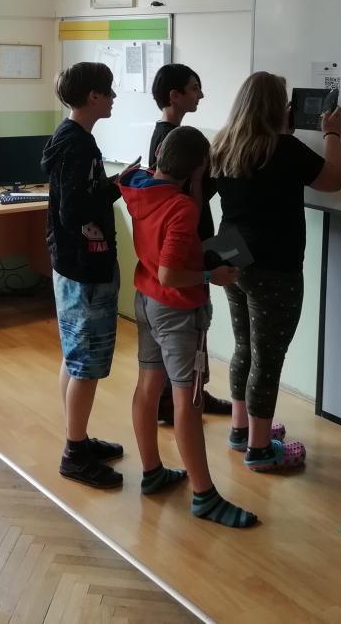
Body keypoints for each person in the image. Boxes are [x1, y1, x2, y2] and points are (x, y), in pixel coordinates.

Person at [121, 125, 257, 527]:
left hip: (145, 300)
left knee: (148, 386)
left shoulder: (139, 185)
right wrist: (212, 276)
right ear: (198, 167)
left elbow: (182, 217)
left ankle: (152, 472)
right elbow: (171, 274)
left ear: (160, 155)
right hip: (177, 310)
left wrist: (194, 183)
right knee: (189, 400)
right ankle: (204, 496)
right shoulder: (180, 210)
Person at [211, 71, 341, 471]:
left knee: (243, 348)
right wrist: (332, 134)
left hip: (231, 254)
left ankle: (242, 429)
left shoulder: (223, 144)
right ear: (276, 107)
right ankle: (260, 449)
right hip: (275, 264)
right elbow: (333, 180)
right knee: (268, 358)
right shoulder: (285, 149)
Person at [41, 61, 139, 489]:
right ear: (93, 96)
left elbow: (76, 197)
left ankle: (76, 439)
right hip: (85, 266)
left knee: (74, 355)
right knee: (86, 365)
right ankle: (74, 454)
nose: (114, 97)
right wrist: (116, 186)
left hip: (71, 263)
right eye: (109, 91)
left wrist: (114, 181)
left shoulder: (70, 138)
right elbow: (75, 211)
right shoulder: (79, 145)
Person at [147, 63, 232, 422]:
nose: (201, 95)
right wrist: (202, 180)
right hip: (187, 248)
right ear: (175, 95)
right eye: (194, 88)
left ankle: (192, 391)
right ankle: (181, 397)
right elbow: (187, 203)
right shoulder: (173, 141)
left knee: (195, 327)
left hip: (192, 243)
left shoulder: (173, 136)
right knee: (189, 327)